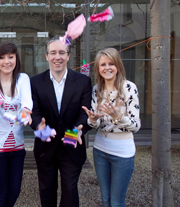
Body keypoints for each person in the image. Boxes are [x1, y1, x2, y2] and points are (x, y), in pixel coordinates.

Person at [30, 37, 92, 207]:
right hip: (46, 144)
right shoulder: (35, 82)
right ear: (46, 56)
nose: (57, 57)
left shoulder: (83, 81)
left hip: (72, 143)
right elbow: (33, 112)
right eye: (53, 52)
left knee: (70, 192)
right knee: (47, 189)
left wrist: (78, 130)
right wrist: (38, 125)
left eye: (62, 53)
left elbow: (84, 113)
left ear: (68, 56)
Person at [82, 48, 141, 207]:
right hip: (100, 149)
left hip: (122, 152)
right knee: (105, 199)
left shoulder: (129, 88)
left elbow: (136, 126)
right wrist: (92, 120)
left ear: (118, 66)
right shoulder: (96, 90)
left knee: (116, 202)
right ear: (98, 68)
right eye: (103, 64)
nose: (107, 68)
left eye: (111, 64)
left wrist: (118, 117)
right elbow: (97, 124)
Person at [0, 42, 33, 207]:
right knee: (1, 192)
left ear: (16, 58)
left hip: (17, 146)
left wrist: (25, 112)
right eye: (2, 57)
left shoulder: (22, 78)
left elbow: (26, 101)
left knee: (15, 191)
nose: (7, 61)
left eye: (10, 57)